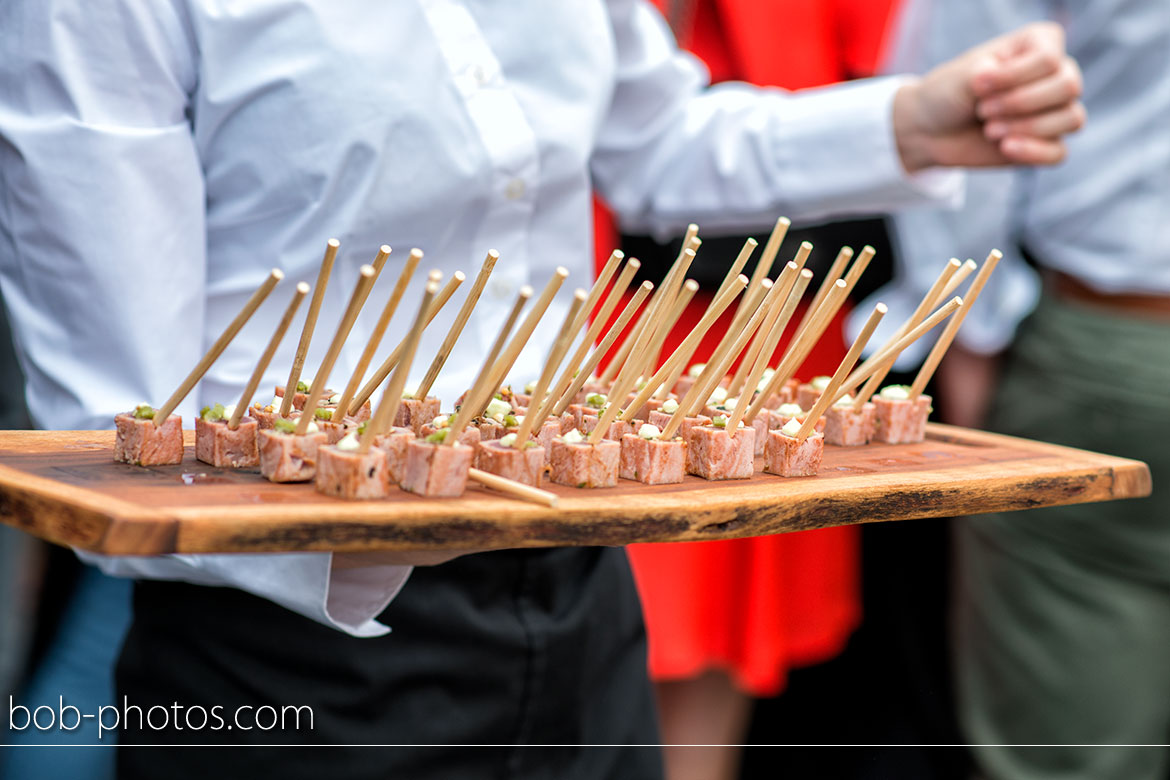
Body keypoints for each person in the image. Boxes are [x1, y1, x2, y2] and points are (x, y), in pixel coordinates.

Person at [0, 1, 1082, 776]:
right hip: (291, 654)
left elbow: (664, 142)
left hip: (580, 594)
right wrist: (376, 514)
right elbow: (114, 439)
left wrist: (906, 124)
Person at [863, 0, 1169, 777]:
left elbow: (972, 110)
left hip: (1113, 346)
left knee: (1071, 739)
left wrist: (962, 339)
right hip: (1116, 348)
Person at [617, 2, 899, 777]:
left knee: (734, 577)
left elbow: (879, 46)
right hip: (625, 258)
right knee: (627, 559)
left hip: (788, 236)